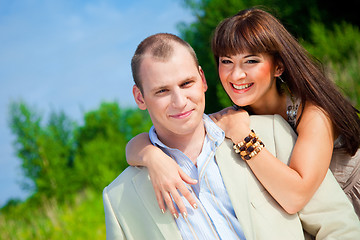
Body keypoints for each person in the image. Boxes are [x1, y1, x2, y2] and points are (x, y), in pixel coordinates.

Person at [103, 33, 360, 240]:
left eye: (186, 84)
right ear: (140, 98)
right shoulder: (119, 198)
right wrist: (150, 156)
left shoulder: (269, 131)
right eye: (162, 91)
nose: (180, 102)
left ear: (202, 80)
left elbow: (338, 226)